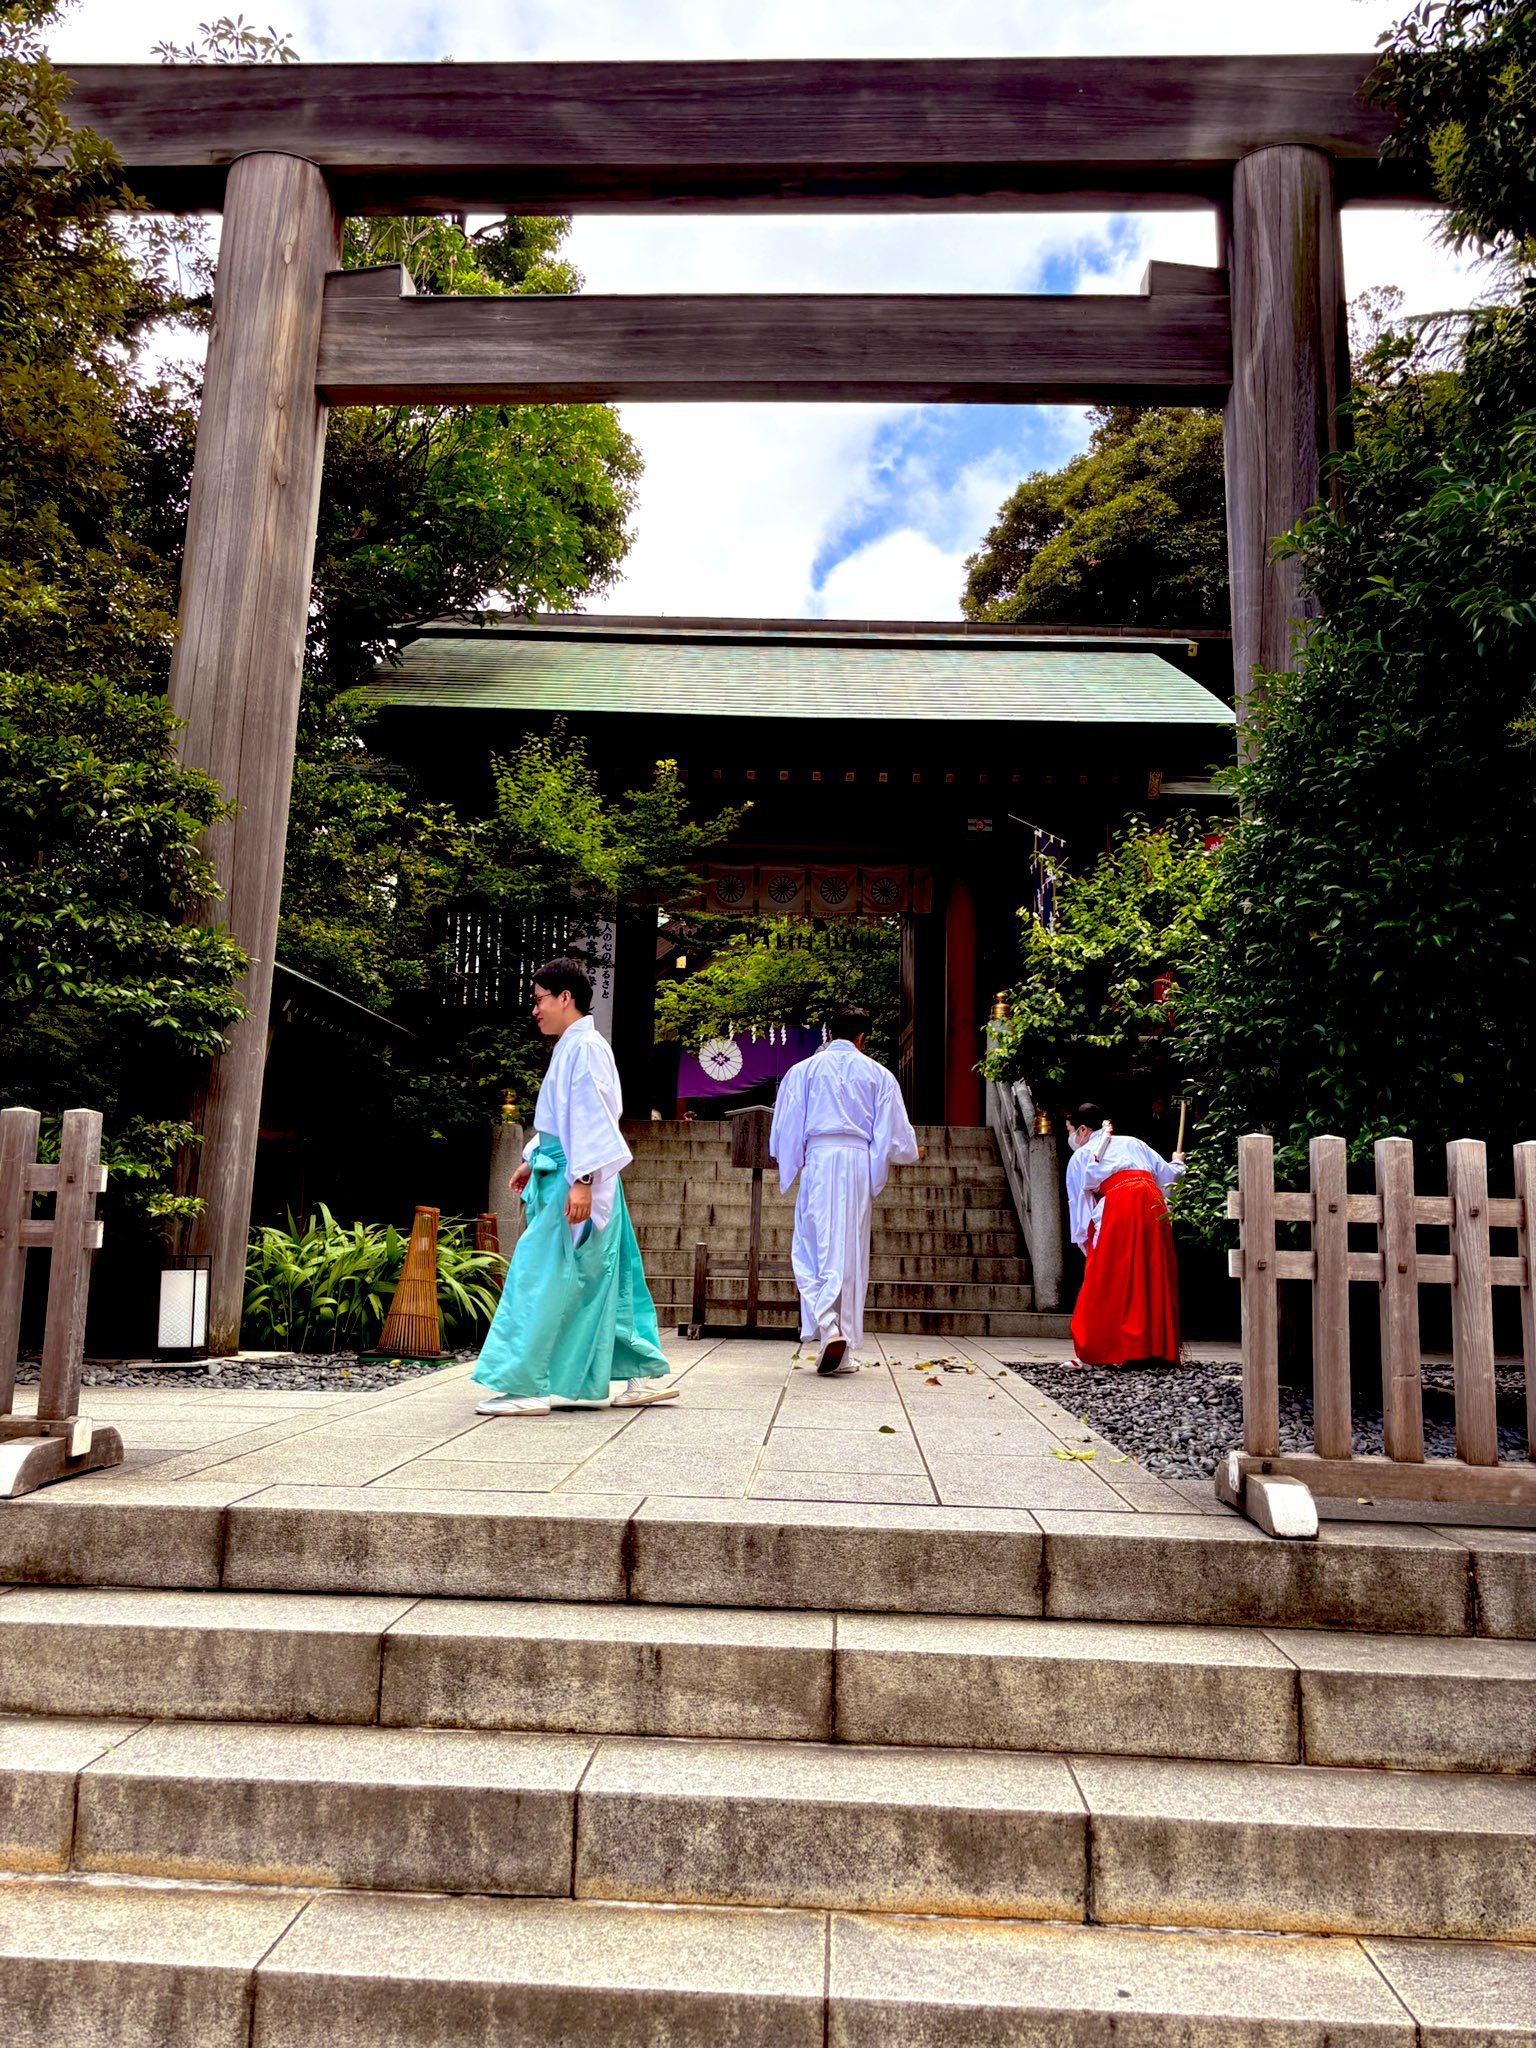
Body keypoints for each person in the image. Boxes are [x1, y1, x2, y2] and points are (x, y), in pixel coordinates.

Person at [473, 958, 677, 1416]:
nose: (535, 1010)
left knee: (539, 1275)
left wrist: (582, 1180)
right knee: (606, 1278)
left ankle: (527, 1385)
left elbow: (590, 1115)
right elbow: (563, 1118)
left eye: (539, 999)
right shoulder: (576, 1045)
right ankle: (639, 1375)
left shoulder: (583, 1047)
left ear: (565, 997)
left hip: (577, 1176)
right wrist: (532, 1159)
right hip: (568, 1170)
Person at [769, 1009, 921, 1374]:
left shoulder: (803, 1071)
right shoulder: (878, 1074)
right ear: (861, 1037)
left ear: (830, 1033)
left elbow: (784, 1129)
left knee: (810, 1248)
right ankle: (840, 1341)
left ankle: (828, 1326)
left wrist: (797, 1158)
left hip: (820, 1158)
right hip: (856, 1162)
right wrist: (910, 1151)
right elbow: (892, 1135)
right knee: (849, 1252)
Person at [1064, 1102, 1185, 1367]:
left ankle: (1104, 1348)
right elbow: (1167, 1177)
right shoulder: (1133, 1142)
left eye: (1070, 1131)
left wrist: (1086, 1238)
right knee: (1153, 1272)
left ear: (1083, 1130)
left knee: (1108, 1277)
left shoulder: (1082, 1156)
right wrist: (1178, 1163)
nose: (1071, 1139)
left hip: (1119, 1203)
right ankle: (1155, 1349)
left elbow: (1080, 1203)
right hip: (1152, 1201)